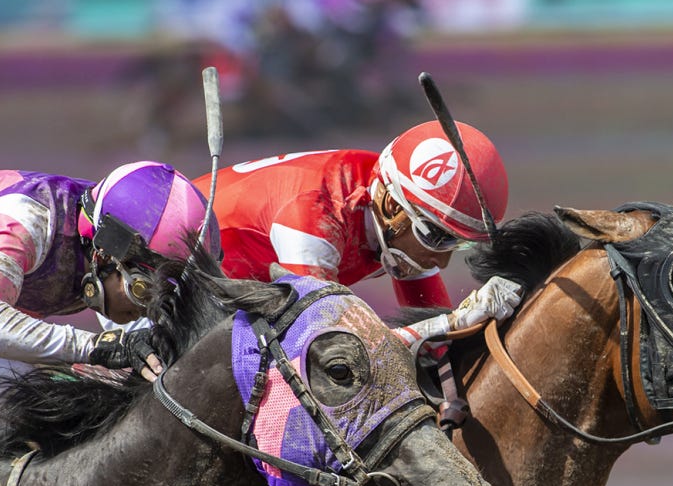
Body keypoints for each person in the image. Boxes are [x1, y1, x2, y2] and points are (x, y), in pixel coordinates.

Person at [0, 161, 220, 448]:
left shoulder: (104, 238)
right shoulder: (27, 217)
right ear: (105, 256)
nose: (150, 310)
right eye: (145, 292)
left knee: (17, 400)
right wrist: (95, 346)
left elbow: (132, 344)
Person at [198, 119, 522, 354]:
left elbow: (438, 351)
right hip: (170, 284)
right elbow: (331, 350)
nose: (442, 260)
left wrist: (464, 324)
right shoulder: (316, 217)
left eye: (458, 243)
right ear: (392, 204)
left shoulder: (399, 216)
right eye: (439, 238)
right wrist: (448, 324)